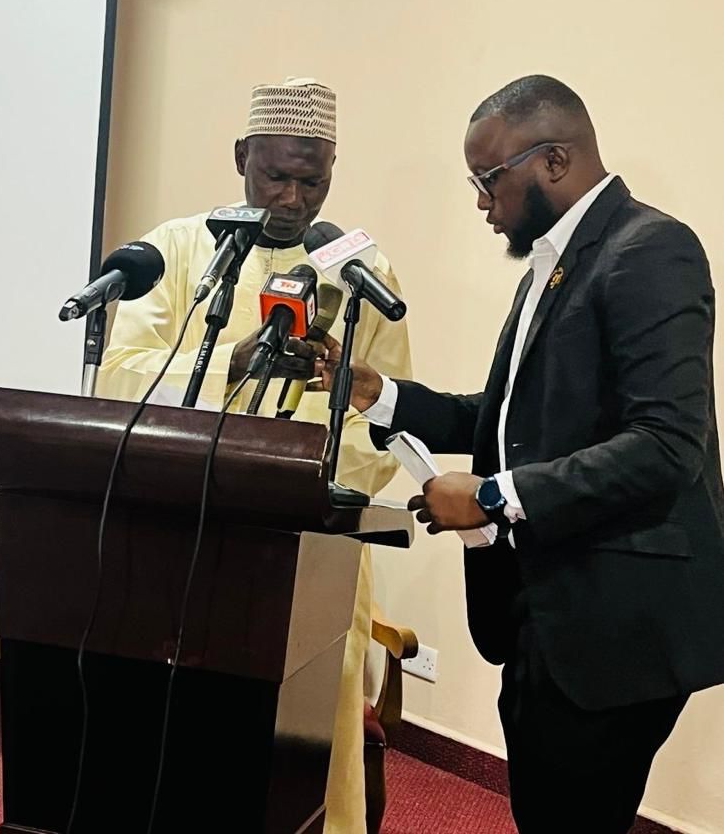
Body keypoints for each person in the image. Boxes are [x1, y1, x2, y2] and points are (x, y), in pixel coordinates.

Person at [315, 75, 724, 834]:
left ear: (554, 161)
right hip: (550, 606)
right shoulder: (555, 261)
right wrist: (383, 396)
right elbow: (510, 422)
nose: (481, 201)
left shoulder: (650, 250)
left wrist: (492, 497)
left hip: (614, 626)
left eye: (488, 179)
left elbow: (667, 444)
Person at [98, 76, 412, 833]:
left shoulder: (361, 272)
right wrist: (227, 367)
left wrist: (308, 476)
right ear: (242, 156)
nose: (293, 199)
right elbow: (119, 379)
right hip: (185, 534)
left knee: (309, 742)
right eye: (275, 175)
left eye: (314, 180)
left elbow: (384, 423)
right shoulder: (177, 249)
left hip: (312, 546)